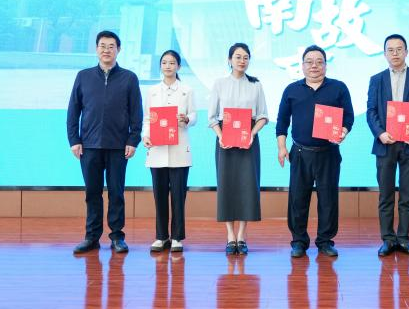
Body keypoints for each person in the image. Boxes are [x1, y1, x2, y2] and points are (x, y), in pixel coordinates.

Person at [67, 30, 143, 254]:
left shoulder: (129, 78)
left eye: (111, 46)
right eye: (102, 46)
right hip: (89, 146)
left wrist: (133, 139)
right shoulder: (83, 76)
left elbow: (136, 113)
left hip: (118, 146)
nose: (106, 50)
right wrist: (74, 140)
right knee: (92, 192)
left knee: (116, 193)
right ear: (96, 49)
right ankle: (91, 237)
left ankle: (117, 237)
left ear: (119, 50)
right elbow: (73, 111)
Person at [276, 44, 354, 258]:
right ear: (302, 66)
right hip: (300, 153)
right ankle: (298, 241)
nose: (314, 66)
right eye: (309, 62)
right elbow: (282, 121)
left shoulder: (338, 88)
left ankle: (325, 241)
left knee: (328, 199)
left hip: (328, 152)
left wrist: (343, 131)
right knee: (298, 199)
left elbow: (348, 117)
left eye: (319, 62)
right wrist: (282, 147)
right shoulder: (291, 90)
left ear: (326, 65)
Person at [366, 34, 409, 257]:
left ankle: (403, 239)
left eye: (399, 49)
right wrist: (380, 133)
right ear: (385, 53)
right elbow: (371, 111)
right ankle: (387, 239)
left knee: (407, 195)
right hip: (386, 144)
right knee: (385, 195)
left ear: (406, 52)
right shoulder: (376, 79)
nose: (395, 53)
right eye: (390, 50)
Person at [208, 43, 268, 255]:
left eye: (246, 57)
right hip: (225, 139)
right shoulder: (219, 83)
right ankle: (229, 236)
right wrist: (221, 135)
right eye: (238, 57)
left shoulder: (256, 85)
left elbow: (263, 115)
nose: (242, 61)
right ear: (229, 60)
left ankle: (241, 236)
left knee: (247, 186)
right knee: (227, 185)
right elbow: (212, 117)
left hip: (248, 139)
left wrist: (251, 133)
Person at [142, 50, 196, 253]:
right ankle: (161, 236)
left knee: (178, 196)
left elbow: (194, 115)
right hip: (157, 150)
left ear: (178, 66)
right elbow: (147, 118)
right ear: (160, 66)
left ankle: (177, 237)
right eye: (164, 62)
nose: (168, 66)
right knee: (160, 195)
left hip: (179, 149)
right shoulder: (152, 91)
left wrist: (187, 119)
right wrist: (145, 136)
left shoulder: (187, 90)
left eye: (172, 63)